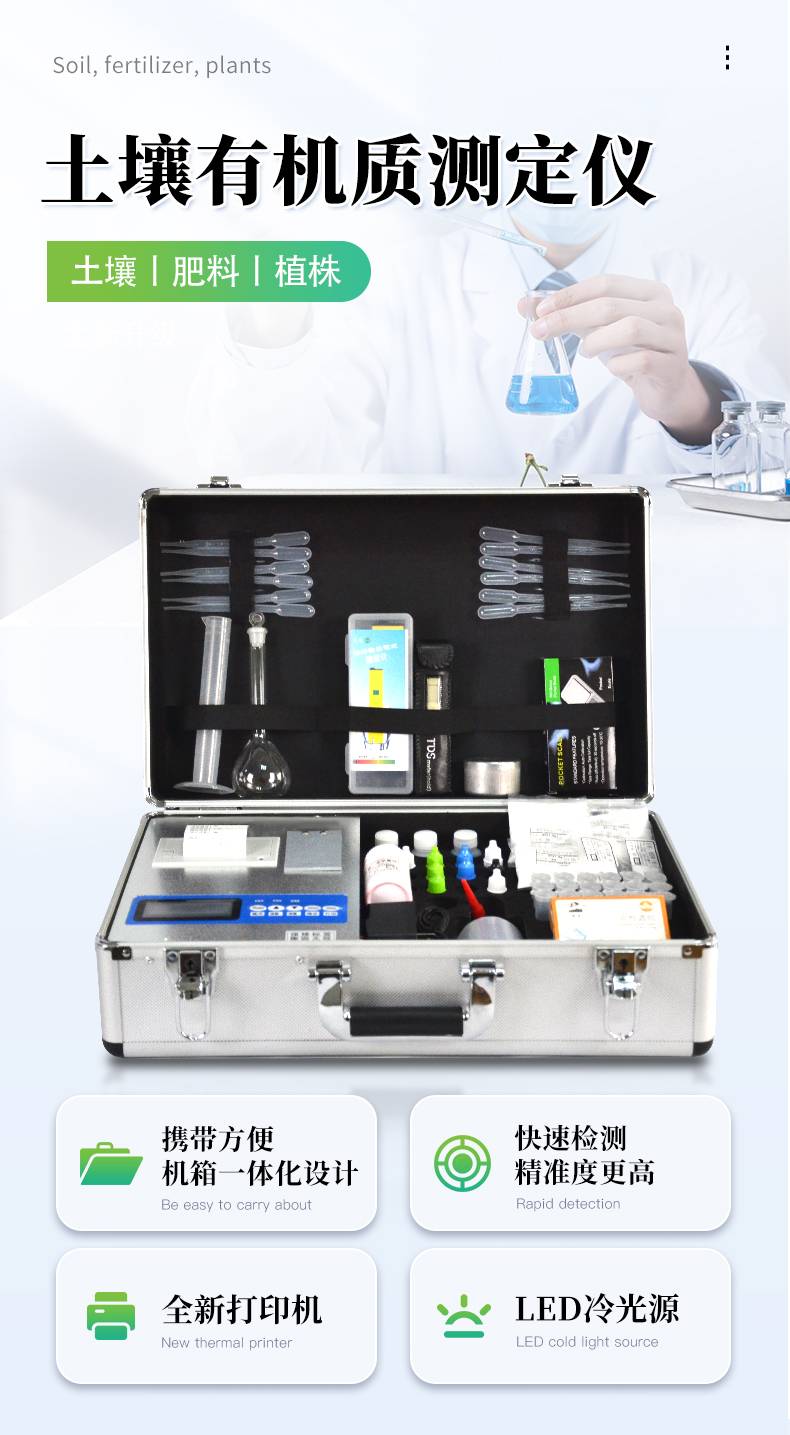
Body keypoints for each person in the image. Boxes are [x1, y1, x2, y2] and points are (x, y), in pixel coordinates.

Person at [191, 199, 786, 480]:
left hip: (646, 605)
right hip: (439, 607)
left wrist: (689, 403)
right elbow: (276, 478)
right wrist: (270, 327)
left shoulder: (703, 293)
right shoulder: (399, 283)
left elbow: (773, 470)